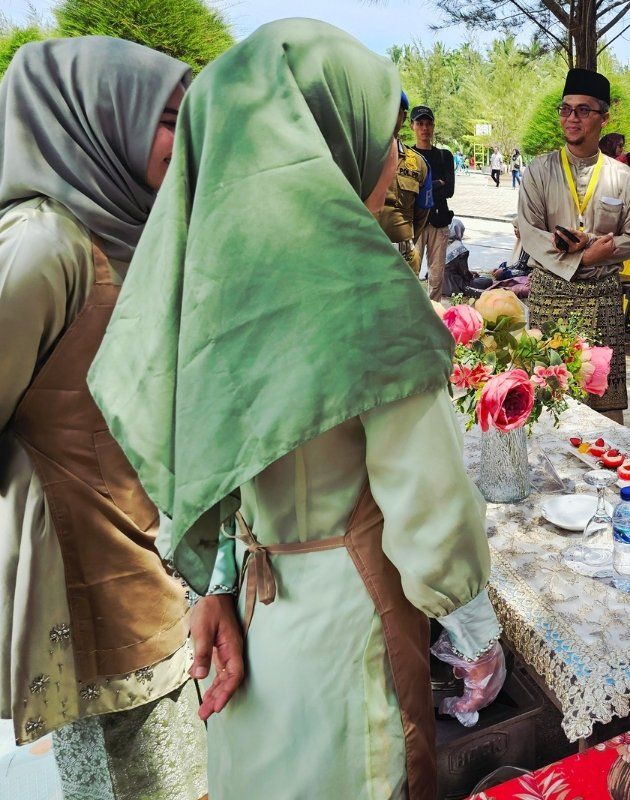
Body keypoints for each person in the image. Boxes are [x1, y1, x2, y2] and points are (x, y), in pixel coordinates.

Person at [87, 20, 504, 799]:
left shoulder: (213, 284)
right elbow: (429, 502)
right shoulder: (364, 287)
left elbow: (212, 456)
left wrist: (214, 583)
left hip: (256, 606)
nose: (396, 159)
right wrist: (477, 636)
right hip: (350, 622)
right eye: (386, 136)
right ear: (328, 139)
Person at [0, 38, 206, 799]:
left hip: (151, 571)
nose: (185, 143)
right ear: (98, 119)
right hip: (96, 592)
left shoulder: (125, 226)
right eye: (170, 121)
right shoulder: (43, 244)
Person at [518, 68, 630, 422]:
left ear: (604, 117)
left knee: (604, 400)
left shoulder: (622, 177)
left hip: (602, 295)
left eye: (583, 110)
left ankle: (607, 470)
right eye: (566, 109)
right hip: (551, 292)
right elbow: (529, 231)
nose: (572, 118)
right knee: (546, 393)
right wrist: (585, 256)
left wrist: (596, 246)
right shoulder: (539, 171)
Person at [376, 94, 432, 272]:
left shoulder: (418, 163)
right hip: (363, 257)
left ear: (403, 117)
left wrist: (404, 243)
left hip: (404, 261)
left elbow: (422, 213)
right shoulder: (358, 156)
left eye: (396, 110)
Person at [411, 105, 456, 300]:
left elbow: (449, 190)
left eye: (428, 123)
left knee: (436, 276)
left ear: (433, 126)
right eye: (420, 123)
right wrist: (436, 183)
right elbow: (407, 192)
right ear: (412, 126)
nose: (424, 128)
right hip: (414, 223)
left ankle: (435, 313)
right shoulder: (408, 156)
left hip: (439, 221)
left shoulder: (444, 156)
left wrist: (423, 187)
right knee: (410, 273)